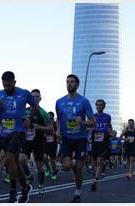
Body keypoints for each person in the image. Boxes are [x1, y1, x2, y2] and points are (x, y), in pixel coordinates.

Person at [0, 71, 37, 203]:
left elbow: (34, 106)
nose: (6, 88)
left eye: (9, 85)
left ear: (14, 82)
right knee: (14, 162)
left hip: (19, 130)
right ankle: (24, 186)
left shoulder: (24, 93)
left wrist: (29, 117)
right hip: (4, 131)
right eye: (4, 85)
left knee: (9, 156)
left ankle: (8, 186)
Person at [55, 74, 95, 203]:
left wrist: (82, 122)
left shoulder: (84, 101)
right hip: (66, 138)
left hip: (80, 138)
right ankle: (73, 163)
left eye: (72, 82)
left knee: (78, 168)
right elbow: (59, 120)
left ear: (77, 85)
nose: (69, 84)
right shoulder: (59, 102)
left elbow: (92, 122)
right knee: (66, 167)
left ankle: (77, 193)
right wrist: (57, 131)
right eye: (67, 82)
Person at [21, 89, 53, 196]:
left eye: (36, 97)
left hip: (39, 141)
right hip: (26, 140)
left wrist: (39, 127)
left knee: (39, 166)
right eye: (32, 97)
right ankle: (29, 176)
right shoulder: (24, 111)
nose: (34, 98)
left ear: (40, 99)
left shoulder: (43, 113)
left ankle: (41, 186)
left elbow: (51, 128)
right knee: (21, 160)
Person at [90, 99, 113, 192]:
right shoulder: (92, 116)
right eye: (98, 105)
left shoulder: (108, 116)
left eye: (101, 105)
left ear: (104, 106)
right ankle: (105, 163)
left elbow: (109, 126)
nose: (99, 106)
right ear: (96, 106)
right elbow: (89, 126)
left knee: (99, 161)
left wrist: (111, 133)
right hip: (95, 141)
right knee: (95, 161)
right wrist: (88, 136)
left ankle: (95, 181)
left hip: (104, 141)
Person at [44, 111, 59, 180]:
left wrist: (54, 133)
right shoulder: (45, 124)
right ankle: (47, 168)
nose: (49, 118)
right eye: (48, 116)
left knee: (52, 159)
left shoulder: (55, 124)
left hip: (53, 143)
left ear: (52, 117)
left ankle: (54, 172)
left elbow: (57, 133)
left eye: (50, 116)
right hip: (45, 143)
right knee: (44, 157)